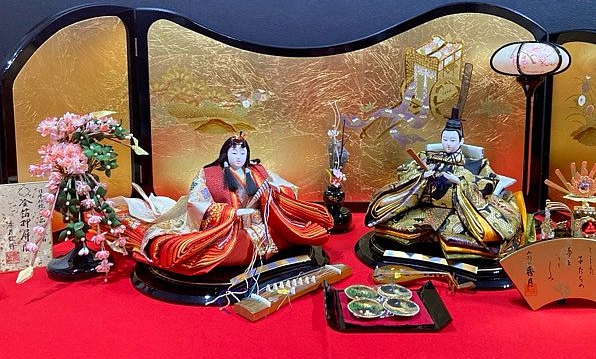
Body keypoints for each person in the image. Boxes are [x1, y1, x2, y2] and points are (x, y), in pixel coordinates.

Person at [118, 133, 333, 275]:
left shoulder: (258, 171)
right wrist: (232, 212)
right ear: (225, 153)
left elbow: (286, 188)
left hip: (262, 227)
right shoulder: (208, 174)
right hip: (226, 229)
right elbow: (195, 202)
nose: (239, 157)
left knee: (298, 233)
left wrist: (272, 194)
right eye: (234, 152)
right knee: (182, 250)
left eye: (242, 152)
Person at [365, 108, 525, 259]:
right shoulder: (428, 157)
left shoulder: (475, 162)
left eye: (453, 140)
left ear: (461, 141)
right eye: (445, 139)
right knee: (397, 227)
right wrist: (422, 176)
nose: (448, 143)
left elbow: (489, 182)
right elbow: (404, 172)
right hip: (426, 207)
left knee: (482, 236)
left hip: (460, 211)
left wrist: (461, 181)